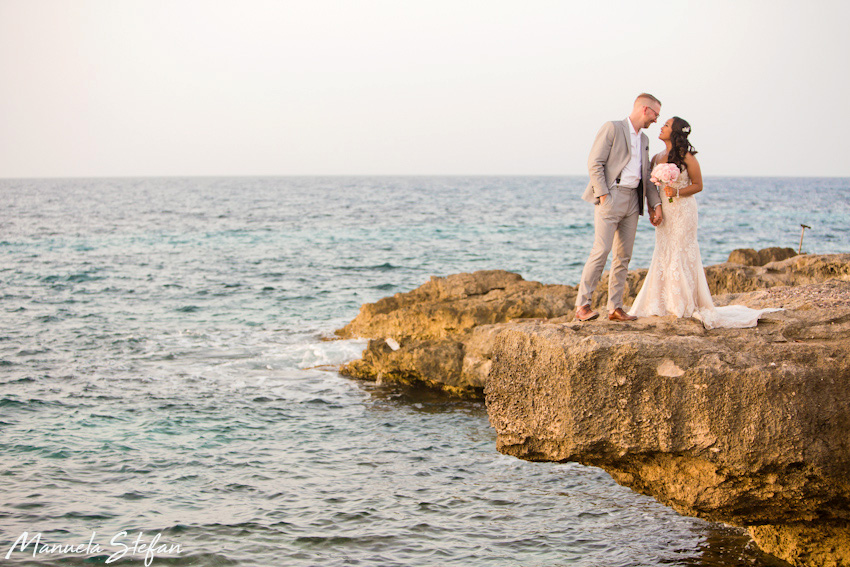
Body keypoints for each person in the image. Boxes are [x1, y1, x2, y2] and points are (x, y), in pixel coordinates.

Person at [627, 117, 781, 328]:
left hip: (683, 211)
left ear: (675, 133)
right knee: (664, 251)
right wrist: (655, 209)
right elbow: (652, 188)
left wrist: (677, 191)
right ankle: (663, 301)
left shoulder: (686, 157)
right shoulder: (656, 157)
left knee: (681, 250)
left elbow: (698, 185)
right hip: (665, 212)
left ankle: (683, 303)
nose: (661, 127)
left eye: (666, 125)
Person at [575, 93, 664, 322]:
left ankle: (615, 308)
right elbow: (595, 162)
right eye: (655, 114)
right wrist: (604, 194)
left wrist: (655, 205)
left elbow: (646, 176)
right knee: (601, 250)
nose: (656, 120)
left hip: (633, 200)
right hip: (611, 195)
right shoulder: (613, 128)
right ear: (645, 109)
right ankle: (582, 305)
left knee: (623, 256)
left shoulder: (644, 141)